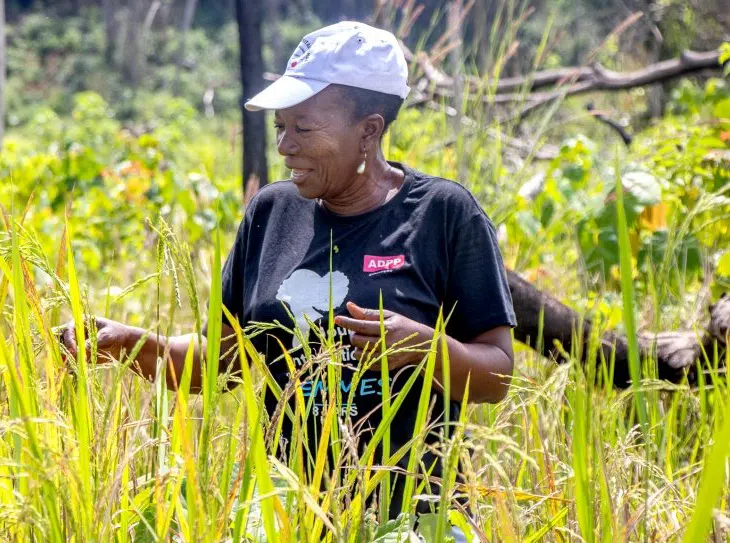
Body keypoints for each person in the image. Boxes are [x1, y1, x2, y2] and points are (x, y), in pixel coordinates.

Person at [59, 21, 516, 527]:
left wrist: (424, 347)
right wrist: (129, 344)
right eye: (280, 127)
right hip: (290, 515)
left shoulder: (443, 214)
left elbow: (496, 375)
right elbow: (221, 361)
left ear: (369, 130)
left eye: (303, 128)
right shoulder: (272, 212)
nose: (284, 147)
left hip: (413, 520)